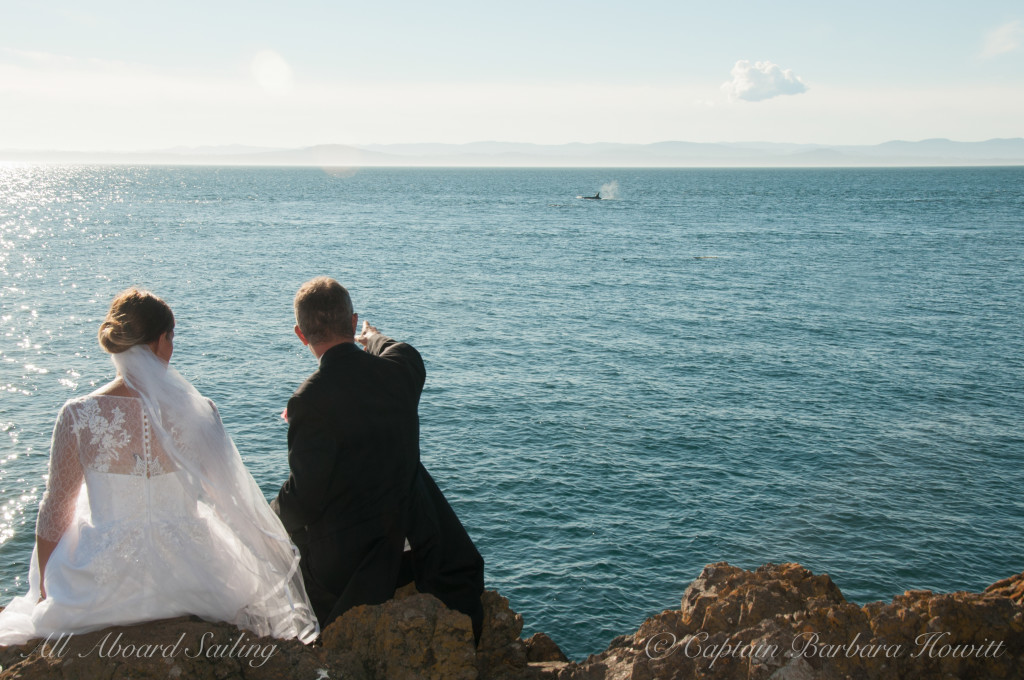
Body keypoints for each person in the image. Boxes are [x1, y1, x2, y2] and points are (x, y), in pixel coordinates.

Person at [0, 289, 318, 647]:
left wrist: (46, 588)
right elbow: (226, 498)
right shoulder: (201, 411)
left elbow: (56, 509)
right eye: (171, 337)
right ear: (160, 342)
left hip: (102, 583)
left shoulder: (78, 415)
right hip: (191, 577)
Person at [273, 277, 484, 640]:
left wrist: (268, 515)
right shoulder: (403, 369)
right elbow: (396, 348)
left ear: (301, 335)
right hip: (417, 546)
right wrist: (372, 338)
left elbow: (305, 499)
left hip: (356, 564)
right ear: (353, 323)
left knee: (281, 543)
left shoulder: (308, 400)